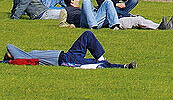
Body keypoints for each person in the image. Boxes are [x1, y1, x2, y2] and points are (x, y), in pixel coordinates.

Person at [4, 29, 136, 68]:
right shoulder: (24, 58)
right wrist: (8, 59)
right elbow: (9, 46)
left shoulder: (27, 54)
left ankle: (102, 57)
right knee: (97, 65)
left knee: (87, 34)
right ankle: (123, 66)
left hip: (68, 54)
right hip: (65, 60)